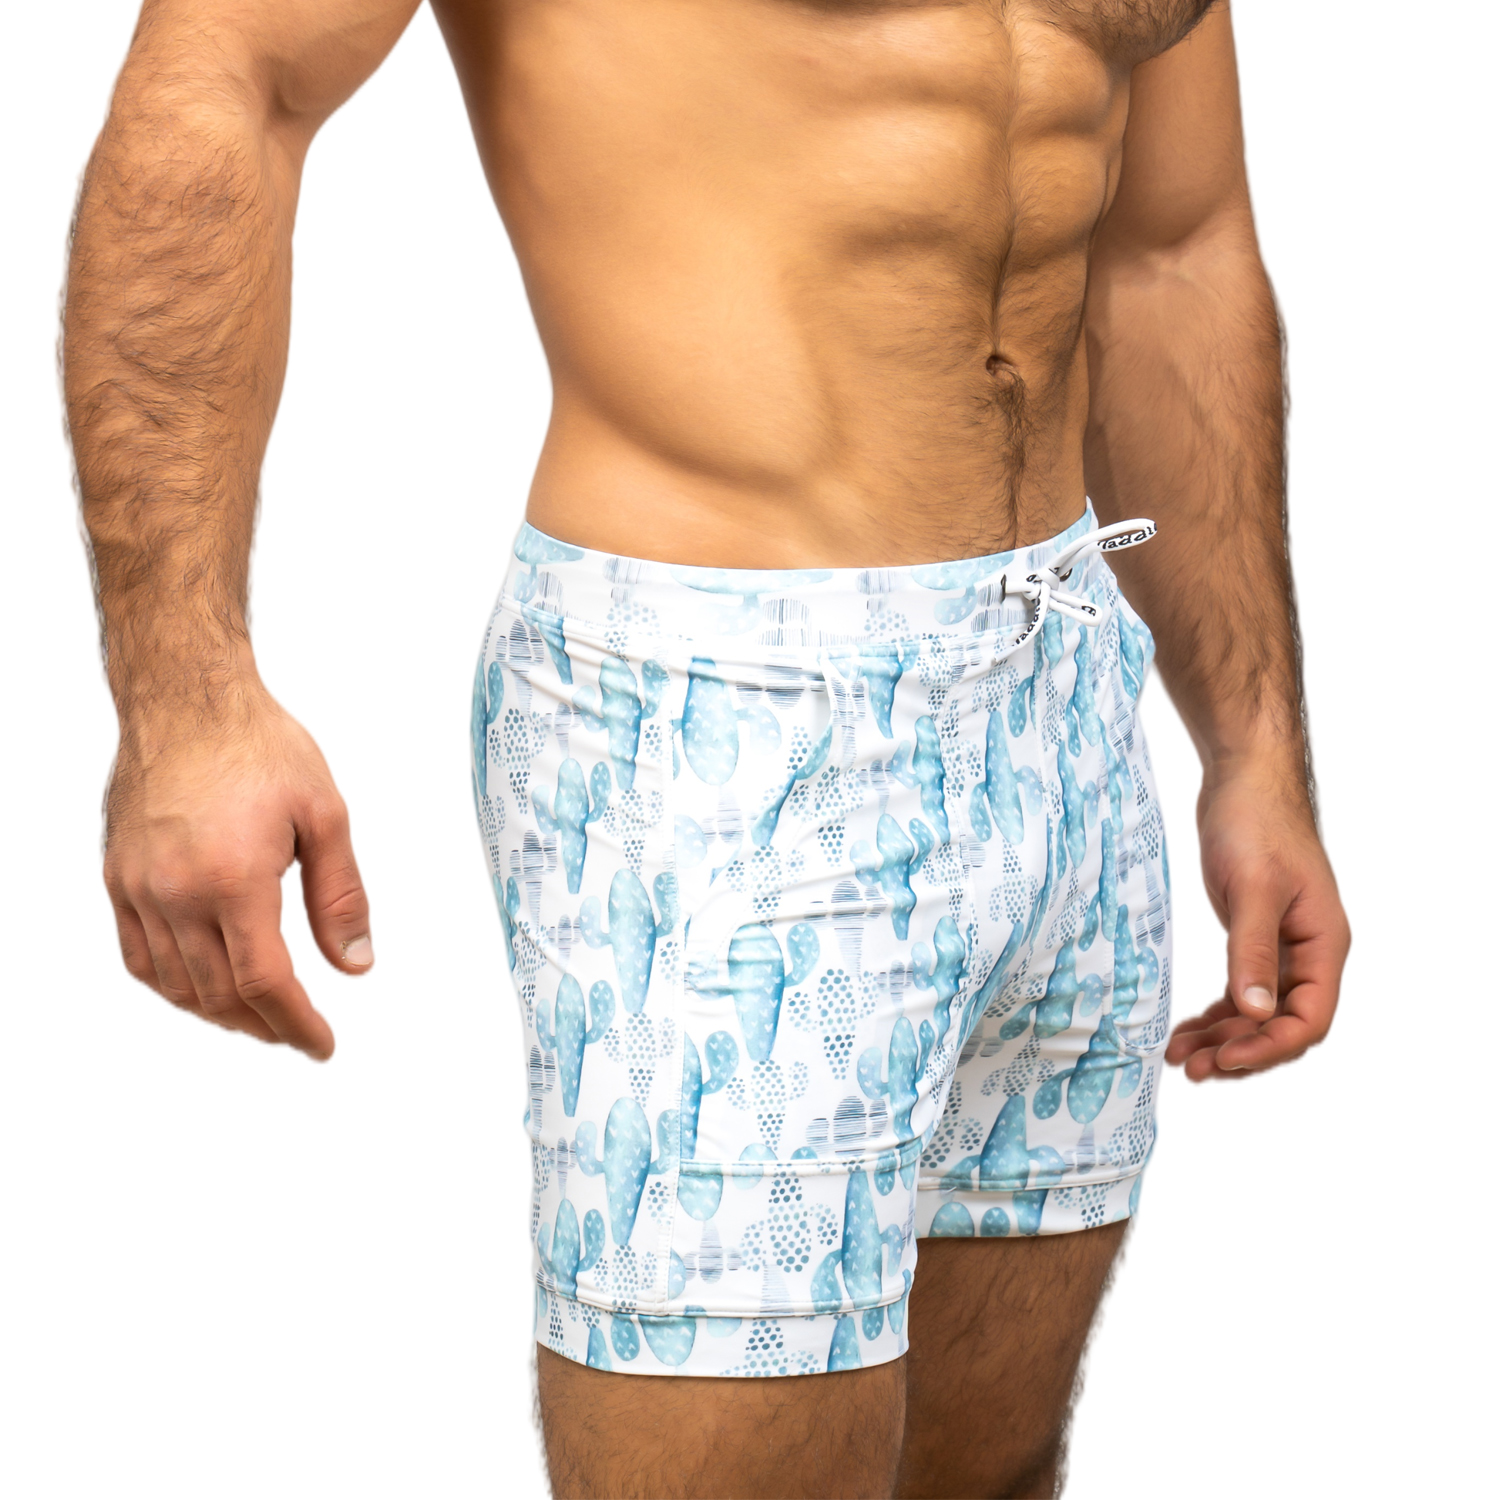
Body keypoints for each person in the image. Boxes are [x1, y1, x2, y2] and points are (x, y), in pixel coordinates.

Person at [63, 0, 1350, 1494]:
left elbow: (1174, 245)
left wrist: (1255, 746)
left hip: (1062, 699)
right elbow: (228, 74)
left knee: (991, 1480)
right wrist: (184, 699)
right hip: (718, 726)